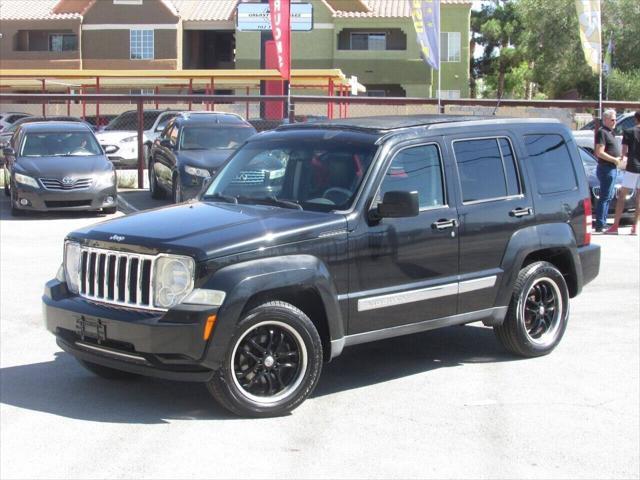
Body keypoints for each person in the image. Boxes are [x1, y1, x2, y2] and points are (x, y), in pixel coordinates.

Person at [605, 111, 640, 235]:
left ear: (635, 119)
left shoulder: (629, 132)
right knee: (639, 199)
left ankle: (615, 226)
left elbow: (624, 152)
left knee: (621, 197)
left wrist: (621, 160)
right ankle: (635, 227)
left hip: (632, 167)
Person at [594, 109, 623, 233]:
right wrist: (614, 160)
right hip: (606, 168)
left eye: (615, 119)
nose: (614, 122)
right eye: (612, 119)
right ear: (605, 120)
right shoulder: (602, 132)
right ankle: (600, 223)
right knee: (605, 197)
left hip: (612, 168)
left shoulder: (611, 132)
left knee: (608, 196)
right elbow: (599, 152)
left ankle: (603, 222)